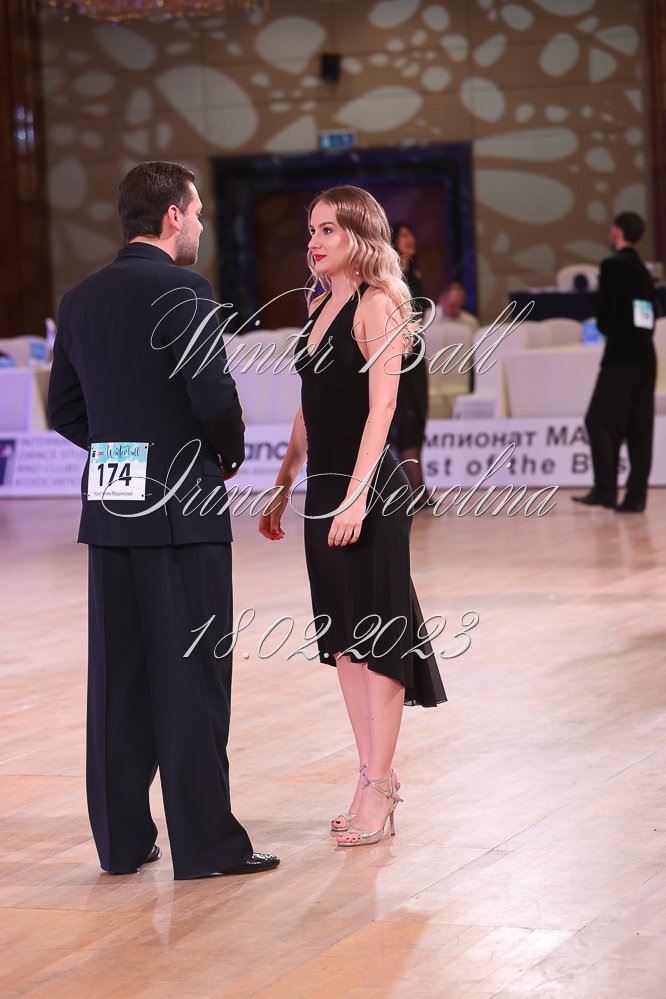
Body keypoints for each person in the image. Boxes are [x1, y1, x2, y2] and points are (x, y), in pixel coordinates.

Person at [48, 161, 279, 879]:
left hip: (111, 509)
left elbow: (64, 411)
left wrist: (124, 449)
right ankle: (206, 846)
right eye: (198, 212)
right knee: (194, 680)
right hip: (182, 507)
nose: (201, 226)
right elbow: (212, 395)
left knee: (117, 681)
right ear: (172, 215)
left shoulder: (79, 299)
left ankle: (121, 843)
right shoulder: (185, 289)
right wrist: (227, 453)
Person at [259, 186, 446, 848]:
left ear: (360, 236)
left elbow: (384, 406)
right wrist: (283, 482)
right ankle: (369, 778)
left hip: (370, 494)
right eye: (311, 229)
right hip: (323, 493)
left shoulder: (378, 302)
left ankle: (380, 785)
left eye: (328, 230)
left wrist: (359, 494)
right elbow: (309, 407)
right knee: (343, 641)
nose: (314, 242)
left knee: (378, 638)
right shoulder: (318, 305)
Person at [572, 212, 657, 513]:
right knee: (639, 427)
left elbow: (606, 315)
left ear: (618, 232)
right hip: (645, 353)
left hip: (621, 355)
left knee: (597, 421)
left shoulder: (612, 265)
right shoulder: (643, 270)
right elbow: (647, 314)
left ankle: (605, 489)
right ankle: (636, 496)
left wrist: (608, 328)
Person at [387, 222, 432, 501]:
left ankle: (416, 488)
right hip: (398, 354)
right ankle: (414, 490)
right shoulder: (390, 276)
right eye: (404, 234)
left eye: (411, 233)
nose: (411, 238)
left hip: (416, 353)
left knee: (418, 416)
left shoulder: (414, 272)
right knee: (406, 418)